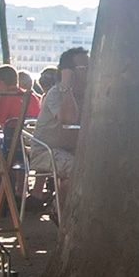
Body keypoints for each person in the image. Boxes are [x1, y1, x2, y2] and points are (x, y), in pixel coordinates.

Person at [31, 47, 87, 207]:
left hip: (72, 151)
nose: (90, 72)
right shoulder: (56, 93)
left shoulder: (89, 94)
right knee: (79, 170)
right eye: (84, 68)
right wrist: (66, 85)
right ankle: (60, 211)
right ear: (68, 72)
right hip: (46, 151)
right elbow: (68, 119)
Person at [0, 64, 41, 146]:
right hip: (34, 141)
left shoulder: (6, 97)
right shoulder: (31, 96)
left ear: (1, 83)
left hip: (15, 143)